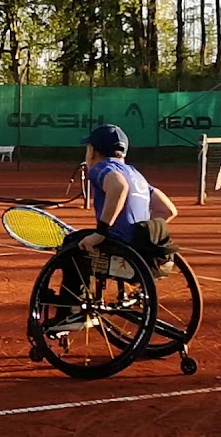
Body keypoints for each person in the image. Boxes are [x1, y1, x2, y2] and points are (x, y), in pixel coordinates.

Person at [54, 124, 178, 312]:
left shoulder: (101, 167)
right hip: (145, 252)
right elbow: (168, 211)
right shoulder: (136, 175)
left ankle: (71, 312)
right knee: (80, 241)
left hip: (121, 250)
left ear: (92, 151)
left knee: (71, 246)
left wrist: (101, 233)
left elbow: (119, 187)